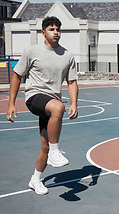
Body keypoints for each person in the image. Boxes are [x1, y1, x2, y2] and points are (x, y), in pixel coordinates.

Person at [6, 16, 78, 195]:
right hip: (34, 96)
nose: (56, 32)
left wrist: (75, 104)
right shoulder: (32, 51)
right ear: (43, 32)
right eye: (52, 29)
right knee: (59, 107)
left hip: (51, 101)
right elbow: (16, 76)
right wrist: (11, 104)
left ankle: (35, 179)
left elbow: (72, 82)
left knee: (45, 146)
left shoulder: (67, 55)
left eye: (58, 29)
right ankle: (55, 152)